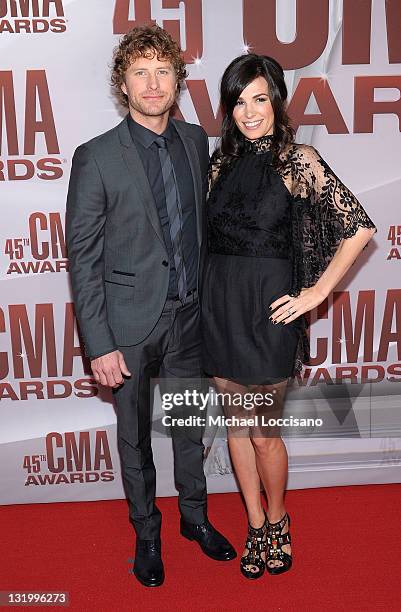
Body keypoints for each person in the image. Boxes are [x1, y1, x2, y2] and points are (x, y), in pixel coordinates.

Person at [66, 25, 235, 588]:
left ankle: (194, 518)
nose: (153, 82)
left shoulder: (195, 140)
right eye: (140, 71)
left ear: (178, 80)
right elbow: (83, 258)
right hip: (129, 327)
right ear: (123, 83)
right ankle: (147, 533)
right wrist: (99, 343)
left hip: (190, 319)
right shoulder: (96, 157)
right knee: (135, 438)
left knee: (190, 426)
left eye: (163, 70)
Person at [200, 53, 377, 579]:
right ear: (228, 108)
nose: (249, 112)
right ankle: (255, 523)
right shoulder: (217, 164)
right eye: (238, 101)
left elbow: (360, 228)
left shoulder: (298, 161)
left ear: (277, 100)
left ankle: (278, 520)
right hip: (220, 305)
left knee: (263, 433)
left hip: (269, 312)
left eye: (260, 99)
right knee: (236, 426)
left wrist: (315, 293)